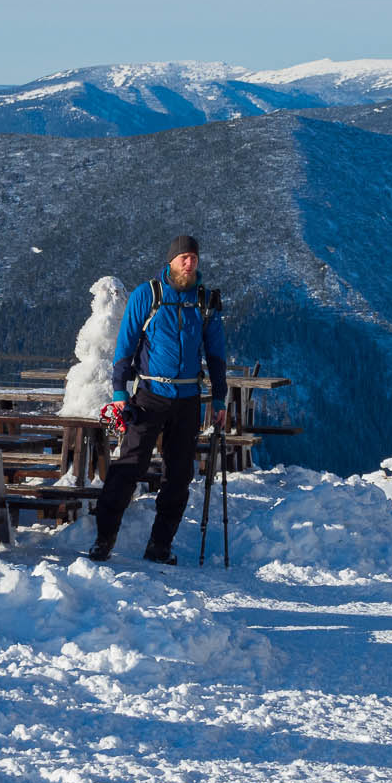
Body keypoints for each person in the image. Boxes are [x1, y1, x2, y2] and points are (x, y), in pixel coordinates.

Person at [89, 234, 228, 564]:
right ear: (171, 261)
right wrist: (120, 392)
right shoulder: (147, 295)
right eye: (183, 257)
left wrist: (220, 398)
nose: (189, 262)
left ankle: (160, 546)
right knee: (128, 467)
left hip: (189, 400)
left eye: (193, 257)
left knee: (179, 477)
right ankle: (103, 539)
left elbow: (217, 353)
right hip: (150, 396)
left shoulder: (205, 301)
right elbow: (125, 346)